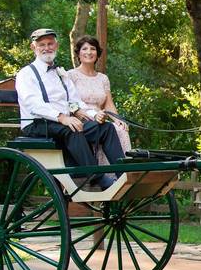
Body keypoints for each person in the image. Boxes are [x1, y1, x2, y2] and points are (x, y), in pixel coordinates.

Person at [15, 28, 125, 190]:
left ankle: (123, 175)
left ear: (56, 45)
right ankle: (98, 177)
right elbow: (33, 104)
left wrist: (95, 115)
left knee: (105, 128)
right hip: (38, 124)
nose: (47, 48)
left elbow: (75, 102)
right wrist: (62, 117)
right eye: (42, 45)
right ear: (34, 48)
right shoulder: (26, 74)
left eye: (50, 43)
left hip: (63, 123)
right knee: (72, 129)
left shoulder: (61, 73)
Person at [65, 35, 132, 163]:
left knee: (121, 129)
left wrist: (118, 120)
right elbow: (68, 102)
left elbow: (108, 104)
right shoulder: (70, 75)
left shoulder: (103, 78)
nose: (89, 52)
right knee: (106, 128)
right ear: (78, 54)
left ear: (97, 53)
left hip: (101, 116)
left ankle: (122, 173)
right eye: (84, 49)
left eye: (93, 49)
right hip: (81, 117)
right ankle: (105, 172)